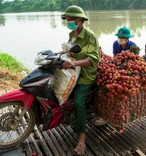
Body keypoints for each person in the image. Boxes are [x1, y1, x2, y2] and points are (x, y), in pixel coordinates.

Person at [61, 5, 100, 155]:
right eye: (67, 19)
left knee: (78, 101)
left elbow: (94, 59)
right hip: (73, 72)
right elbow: (71, 50)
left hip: (86, 74)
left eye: (70, 19)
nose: (68, 21)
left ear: (79, 19)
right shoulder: (72, 34)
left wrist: (75, 63)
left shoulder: (90, 36)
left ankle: (82, 138)